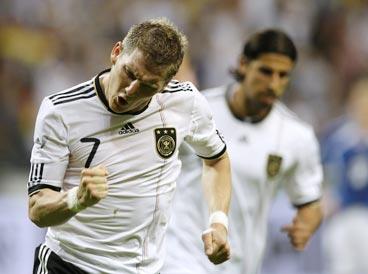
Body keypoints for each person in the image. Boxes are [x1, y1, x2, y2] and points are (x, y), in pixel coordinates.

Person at [27, 18, 232, 274]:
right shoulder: (61, 111)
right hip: (70, 265)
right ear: (116, 53)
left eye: (147, 86)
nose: (130, 91)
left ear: (165, 85)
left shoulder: (185, 103)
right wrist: (76, 199)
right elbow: (37, 208)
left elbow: (216, 159)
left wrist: (218, 221)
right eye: (129, 73)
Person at [162, 29, 323, 274]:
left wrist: (307, 225)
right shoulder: (197, 110)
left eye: (283, 75)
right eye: (266, 71)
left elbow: (310, 202)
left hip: (241, 262)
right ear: (243, 64)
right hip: (182, 255)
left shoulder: (296, 136)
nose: (273, 84)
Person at [321, 76, 368, 274]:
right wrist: (325, 196)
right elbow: (324, 172)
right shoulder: (339, 138)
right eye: (361, 102)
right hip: (341, 216)